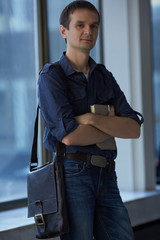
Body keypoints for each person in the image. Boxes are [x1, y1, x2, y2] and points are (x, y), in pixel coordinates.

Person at [38, 1, 144, 239]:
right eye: (80, 25)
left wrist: (88, 119)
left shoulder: (104, 75)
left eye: (94, 26)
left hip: (107, 172)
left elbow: (133, 128)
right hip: (72, 172)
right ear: (64, 31)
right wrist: (111, 125)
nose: (89, 31)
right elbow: (70, 135)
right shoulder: (51, 76)